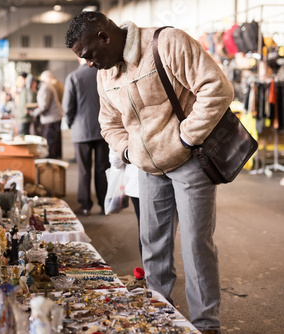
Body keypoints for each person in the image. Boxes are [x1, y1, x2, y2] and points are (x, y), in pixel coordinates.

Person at [65, 11, 234, 334]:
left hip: (190, 163)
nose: (87, 63)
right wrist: (129, 151)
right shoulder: (105, 74)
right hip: (148, 169)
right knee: (153, 244)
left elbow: (217, 89)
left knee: (196, 245)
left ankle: (205, 324)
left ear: (104, 36)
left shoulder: (167, 42)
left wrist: (186, 138)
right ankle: (158, 313)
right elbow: (109, 123)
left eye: (88, 55)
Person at [62, 57, 109, 215]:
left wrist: (70, 124)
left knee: (84, 170)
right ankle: (104, 204)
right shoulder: (103, 73)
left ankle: (85, 205)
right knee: (102, 168)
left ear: (78, 57)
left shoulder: (73, 77)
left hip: (81, 131)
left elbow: (68, 107)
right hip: (103, 129)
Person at [27, 75, 63, 159]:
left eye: (31, 87)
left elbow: (44, 106)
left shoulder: (44, 88)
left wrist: (33, 113)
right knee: (53, 142)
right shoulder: (44, 87)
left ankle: (52, 163)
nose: (32, 89)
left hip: (52, 119)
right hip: (51, 118)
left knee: (51, 143)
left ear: (34, 83)